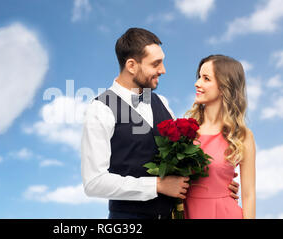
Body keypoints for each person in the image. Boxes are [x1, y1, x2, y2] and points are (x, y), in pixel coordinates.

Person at [81, 28, 240, 219]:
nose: (163, 70)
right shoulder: (100, 110)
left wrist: (217, 183)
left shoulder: (162, 103)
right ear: (131, 65)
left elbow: (181, 162)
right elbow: (94, 182)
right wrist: (157, 185)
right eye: (156, 64)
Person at [184, 55, 256, 219]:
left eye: (206, 78)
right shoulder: (185, 130)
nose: (197, 83)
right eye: (199, 77)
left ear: (224, 87)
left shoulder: (242, 136)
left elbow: (249, 194)